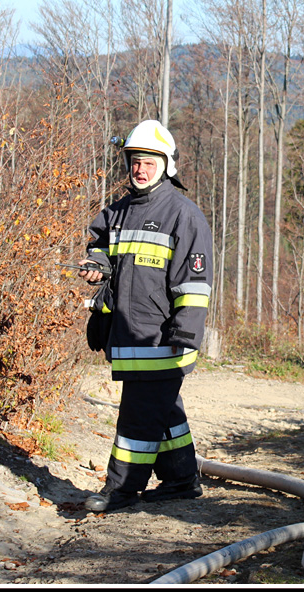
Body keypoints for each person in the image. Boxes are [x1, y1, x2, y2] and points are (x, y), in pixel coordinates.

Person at [76, 119, 213, 513]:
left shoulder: (183, 216)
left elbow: (194, 284)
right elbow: (98, 245)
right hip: (128, 335)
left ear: (166, 165)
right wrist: (96, 264)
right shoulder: (118, 211)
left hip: (162, 340)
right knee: (162, 410)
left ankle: (121, 488)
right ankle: (181, 480)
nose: (140, 169)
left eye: (149, 162)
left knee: (137, 416)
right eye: (135, 161)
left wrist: (184, 337)